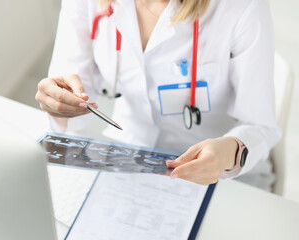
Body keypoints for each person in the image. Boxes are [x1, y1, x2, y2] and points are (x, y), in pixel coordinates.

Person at [35, 0, 281, 190]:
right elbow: (71, 96)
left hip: (221, 178)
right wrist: (58, 103)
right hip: (127, 155)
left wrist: (227, 153)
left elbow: (260, 125)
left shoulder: (243, 8)